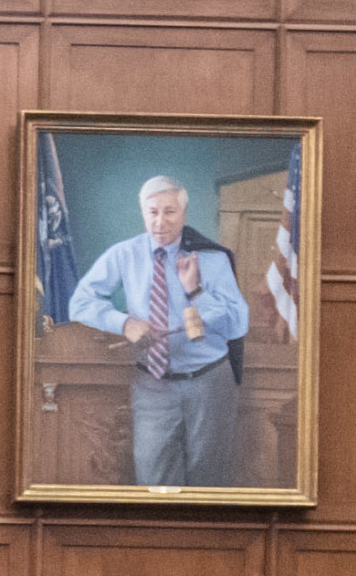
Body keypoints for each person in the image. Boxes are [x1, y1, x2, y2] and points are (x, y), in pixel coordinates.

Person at [63, 173, 253, 486]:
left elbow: (237, 323)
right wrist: (123, 322)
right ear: (143, 213)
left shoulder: (212, 258)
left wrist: (196, 293)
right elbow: (80, 303)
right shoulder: (125, 255)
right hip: (152, 385)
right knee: (155, 483)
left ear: (184, 214)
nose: (160, 222)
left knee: (209, 482)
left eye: (170, 212)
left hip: (209, 383)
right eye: (153, 212)